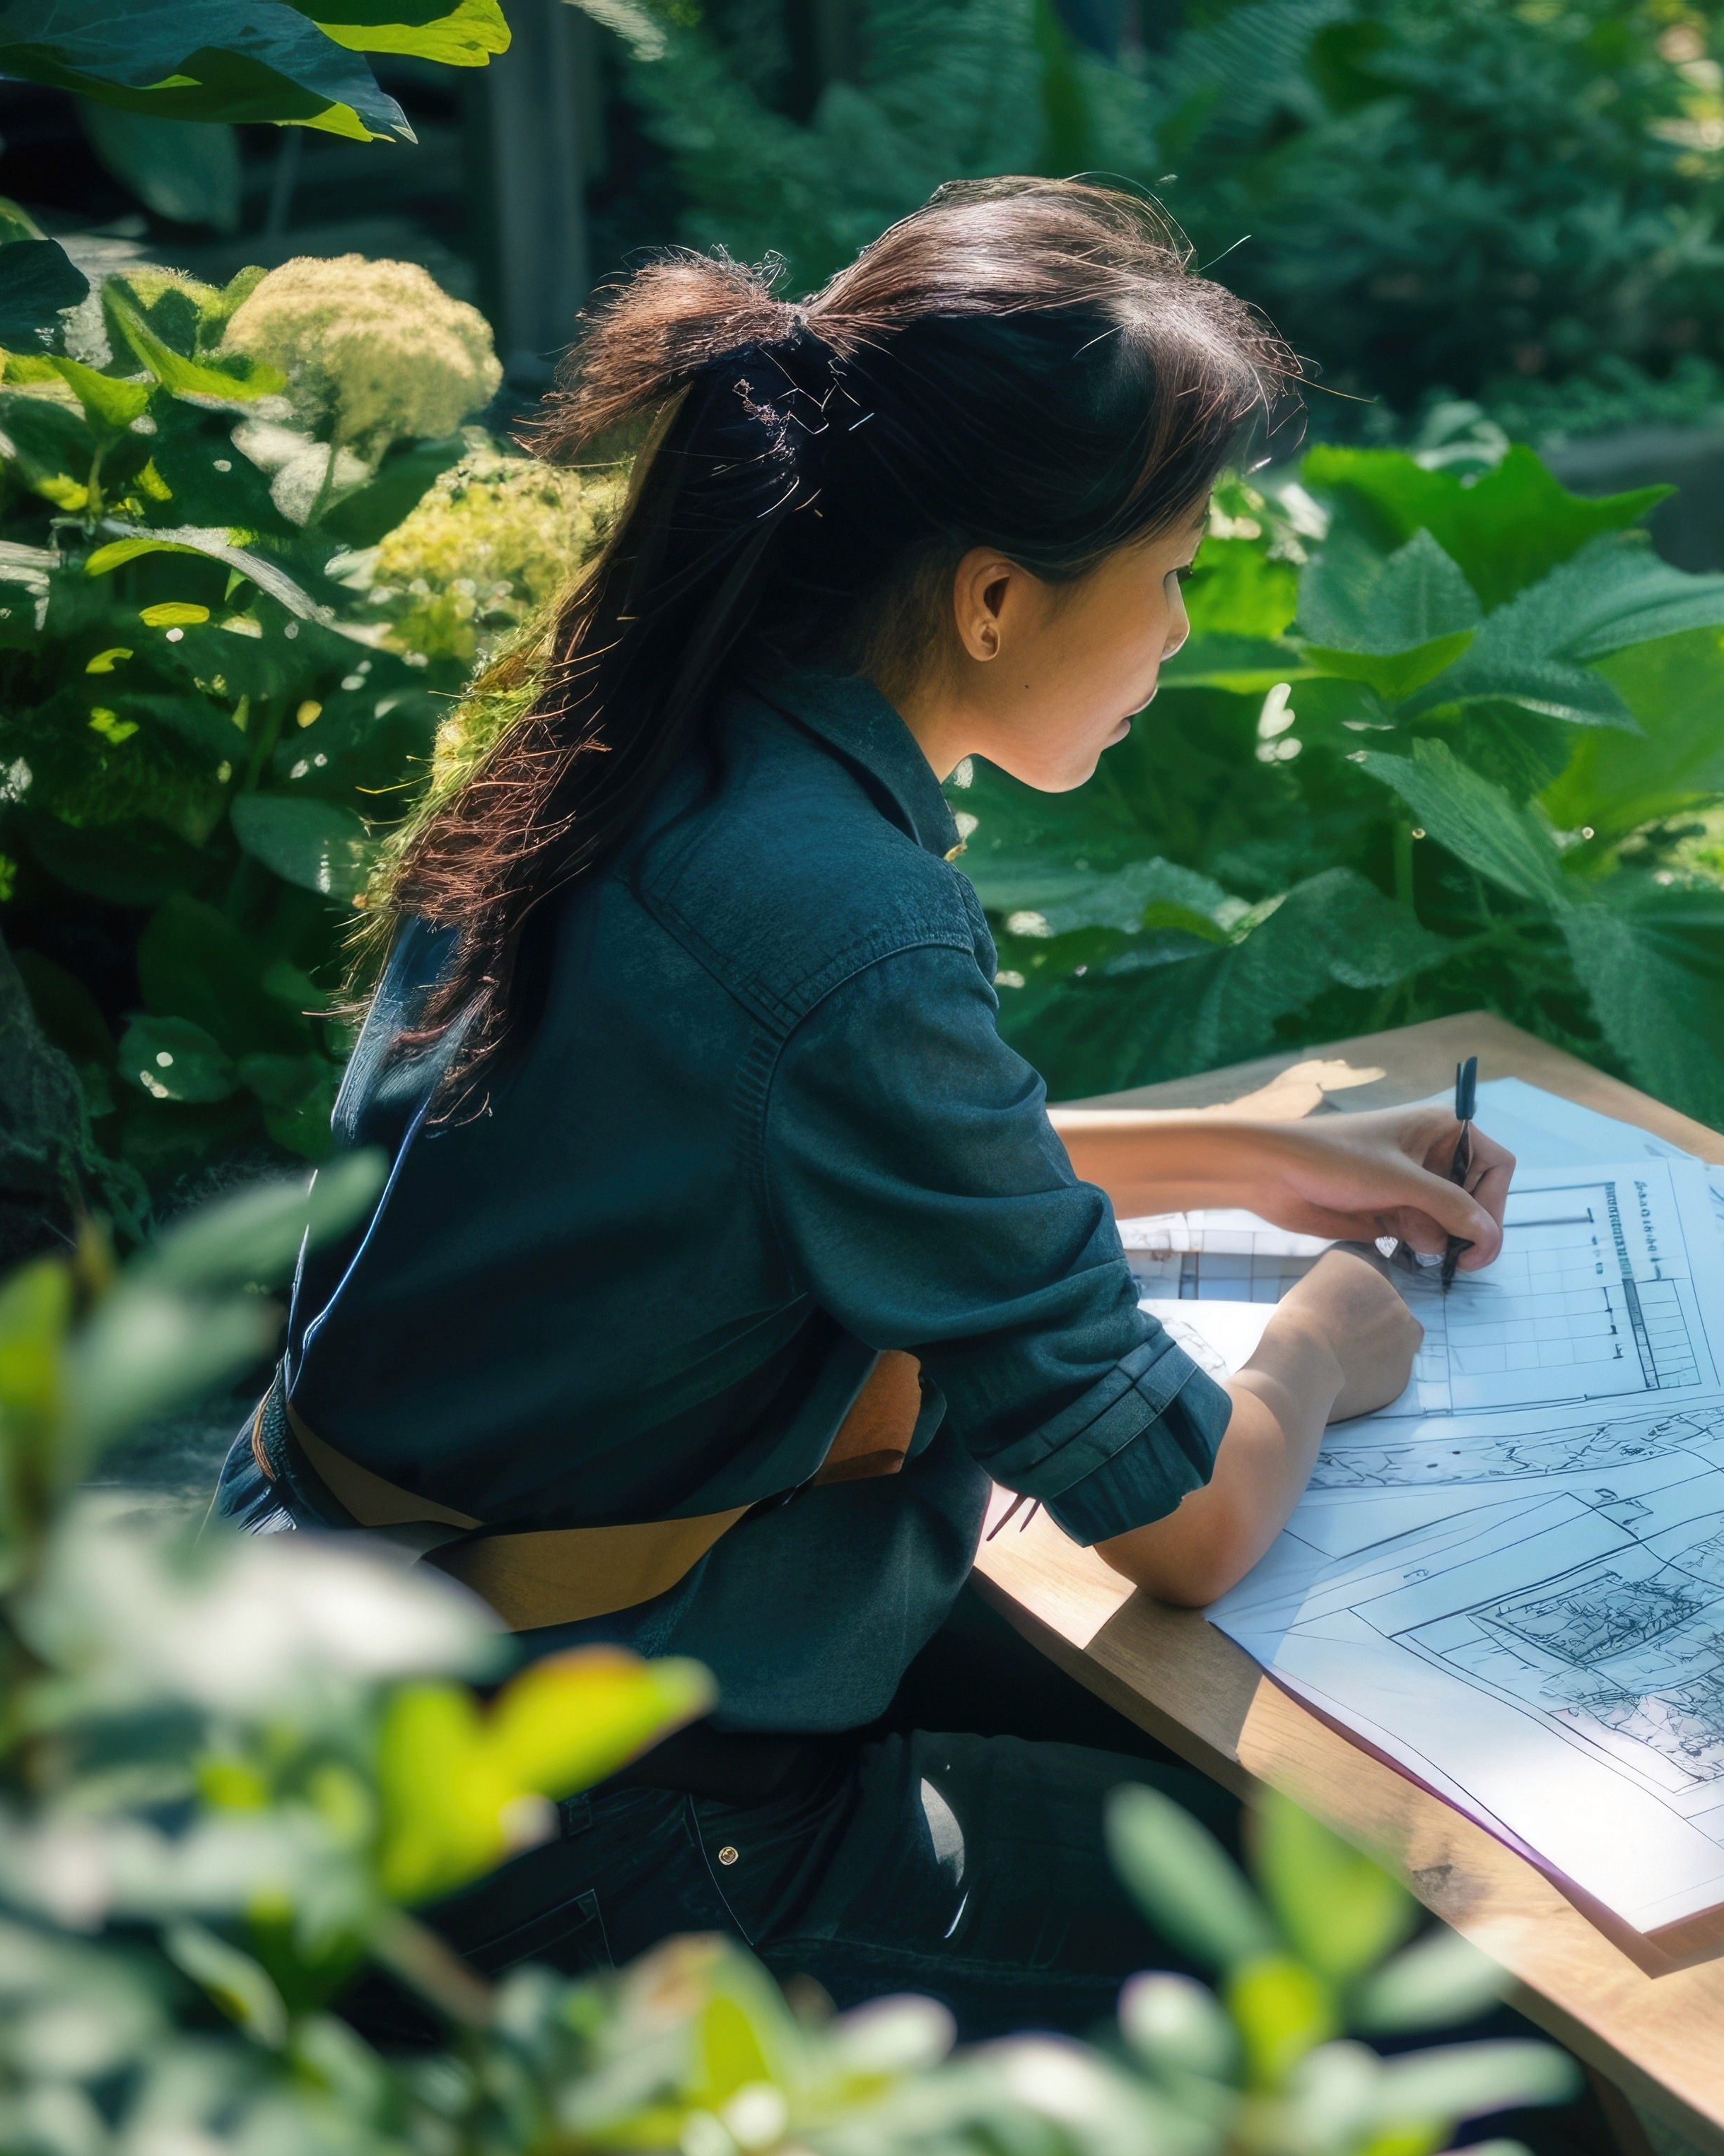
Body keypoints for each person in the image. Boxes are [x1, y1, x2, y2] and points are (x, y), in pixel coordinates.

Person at [216, 179, 1515, 2039]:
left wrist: (1270, 1157)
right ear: (995, 597)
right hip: (590, 1845)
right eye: (1168, 579)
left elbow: (777, 1158)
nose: (1174, 638)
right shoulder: (849, 925)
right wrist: (1320, 1341)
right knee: (1411, 1949)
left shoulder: (647, 729)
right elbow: (1190, 1524)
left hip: (342, 1671)